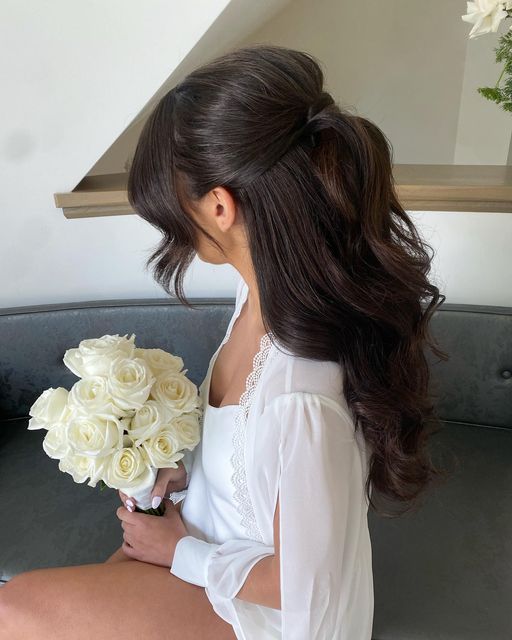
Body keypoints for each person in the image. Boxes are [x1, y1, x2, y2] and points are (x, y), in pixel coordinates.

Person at [0, 44, 447, 639]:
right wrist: (184, 470)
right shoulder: (260, 298)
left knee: (17, 609)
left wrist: (177, 549)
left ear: (218, 206)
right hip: (212, 549)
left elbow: (304, 590)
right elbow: (255, 463)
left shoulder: (300, 394)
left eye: (171, 211)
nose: (170, 231)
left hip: (265, 612)